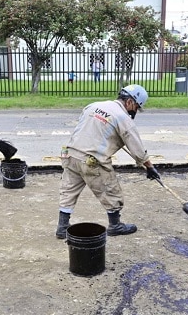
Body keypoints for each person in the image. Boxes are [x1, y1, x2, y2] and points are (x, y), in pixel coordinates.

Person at [55, 84, 161, 239]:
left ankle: (62, 227)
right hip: (92, 160)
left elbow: (87, 126)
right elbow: (137, 149)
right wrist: (150, 167)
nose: (135, 111)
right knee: (111, 191)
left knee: (68, 191)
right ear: (130, 102)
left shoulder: (94, 106)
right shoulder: (123, 118)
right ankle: (115, 225)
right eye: (137, 107)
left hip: (70, 155)